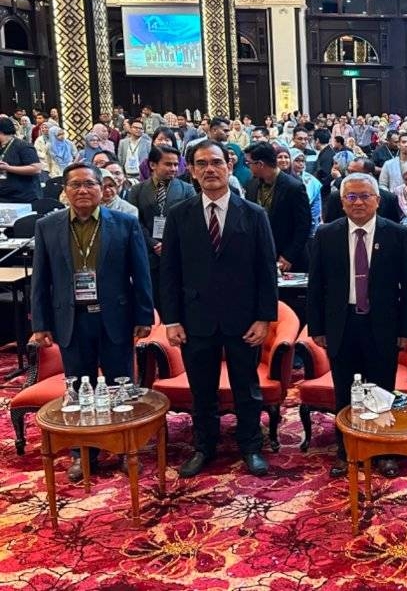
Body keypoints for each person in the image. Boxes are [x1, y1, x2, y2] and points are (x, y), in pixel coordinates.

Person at [159, 140, 279, 478]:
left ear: (229, 167)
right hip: (196, 320)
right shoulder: (180, 215)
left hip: (243, 321)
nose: (209, 169)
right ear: (192, 172)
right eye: (201, 164)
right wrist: (171, 319)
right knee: (202, 390)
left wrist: (264, 317)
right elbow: (169, 271)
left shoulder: (253, 214)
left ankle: (251, 447)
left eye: (216, 162)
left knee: (247, 389)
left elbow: (266, 270)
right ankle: (204, 447)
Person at [30, 162, 154, 482]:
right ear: (65, 190)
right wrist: (40, 323)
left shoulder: (125, 223)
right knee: (78, 389)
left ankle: (127, 449)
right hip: (71, 320)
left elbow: (141, 275)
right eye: (75, 185)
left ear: (102, 188)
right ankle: (83, 453)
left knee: (121, 386)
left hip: (115, 318)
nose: (83, 190)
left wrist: (143, 315)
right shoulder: (48, 226)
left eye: (89, 184)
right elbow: (41, 280)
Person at [307, 172, 407, 479]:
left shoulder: (396, 234)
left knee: (381, 390)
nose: (358, 202)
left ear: (378, 201)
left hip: (382, 324)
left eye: (365, 196)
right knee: (346, 391)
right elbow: (315, 286)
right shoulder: (326, 234)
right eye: (351, 197)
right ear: (342, 202)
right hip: (341, 324)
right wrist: (317, 327)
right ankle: (348, 451)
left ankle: (383, 451)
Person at [128, 145, 196, 309]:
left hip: (177, 253)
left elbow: (191, 222)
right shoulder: (137, 190)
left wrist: (170, 244)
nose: (173, 169)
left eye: (175, 164)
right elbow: (135, 222)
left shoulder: (187, 189)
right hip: (148, 253)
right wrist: (153, 244)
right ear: (153, 165)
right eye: (168, 164)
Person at [245, 143, 312, 273]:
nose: (248, 167)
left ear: (260, 164)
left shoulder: (294, 187)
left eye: (249, 163)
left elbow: (303, 225)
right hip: (261, 255)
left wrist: (289, 256)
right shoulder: (252, 185)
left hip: (288, 259)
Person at [0, 116, 43, 203]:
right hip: (4, 196)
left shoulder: (22, 146)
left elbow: (36, 168)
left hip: (23, 197)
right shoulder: (1, 147)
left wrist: (8, 168)